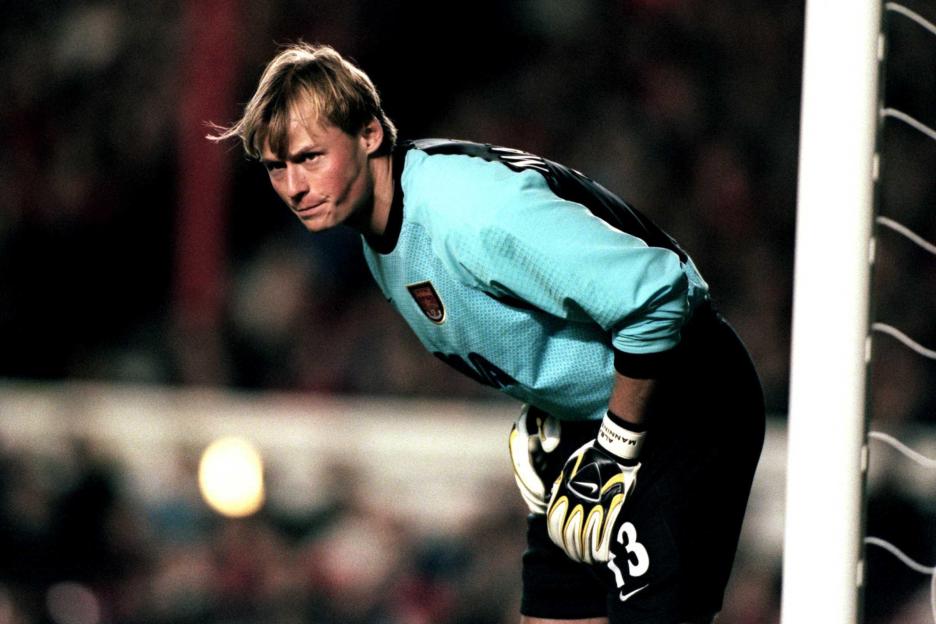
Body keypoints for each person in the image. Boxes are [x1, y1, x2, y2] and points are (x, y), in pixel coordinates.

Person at [209, 42, 765, 624]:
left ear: (369, 133)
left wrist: (614, 449)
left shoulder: (470, 212)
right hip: (601, 418)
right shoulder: (380, 228)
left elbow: (658, 297)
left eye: (309, 157)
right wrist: (549, 408)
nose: (294, 186)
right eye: (276, 167)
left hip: (687, 400)